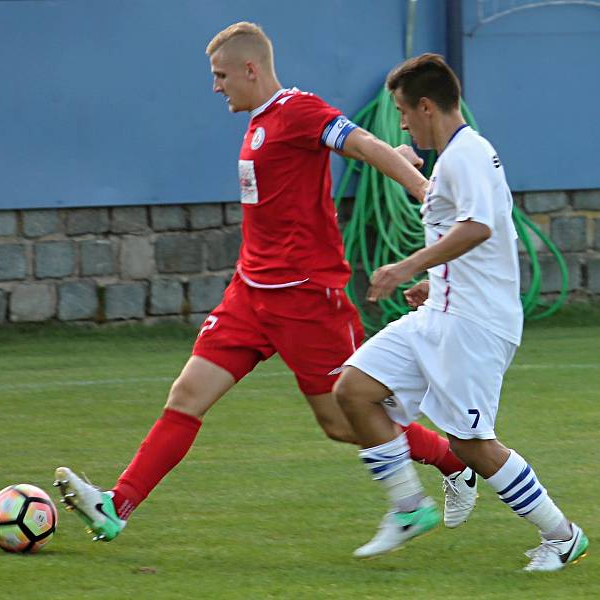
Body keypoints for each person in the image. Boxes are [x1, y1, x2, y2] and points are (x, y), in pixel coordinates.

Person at [54, 23, 478, 543]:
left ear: (250, 69)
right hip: (249, 297)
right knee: (186, 395)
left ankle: (452, 463)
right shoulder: (258, 121)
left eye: (221, 75)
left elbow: (361, 142)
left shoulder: (299, 110)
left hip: (306, 298)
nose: (216, 87)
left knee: (345, 421)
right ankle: (116, 506)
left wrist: (419, 185)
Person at [333, 53, 589, 571]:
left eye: (404, 111)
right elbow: (490, 235)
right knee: (353, 390)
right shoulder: (458, 157)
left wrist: (407, 267)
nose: (402, 121)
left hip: (475, 325)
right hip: (444, 313)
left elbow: (479, 228)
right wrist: (436, 281)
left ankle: (562, 536)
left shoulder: (467, 155)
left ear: (426, 106)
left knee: (472, 445)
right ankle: (408, 507)